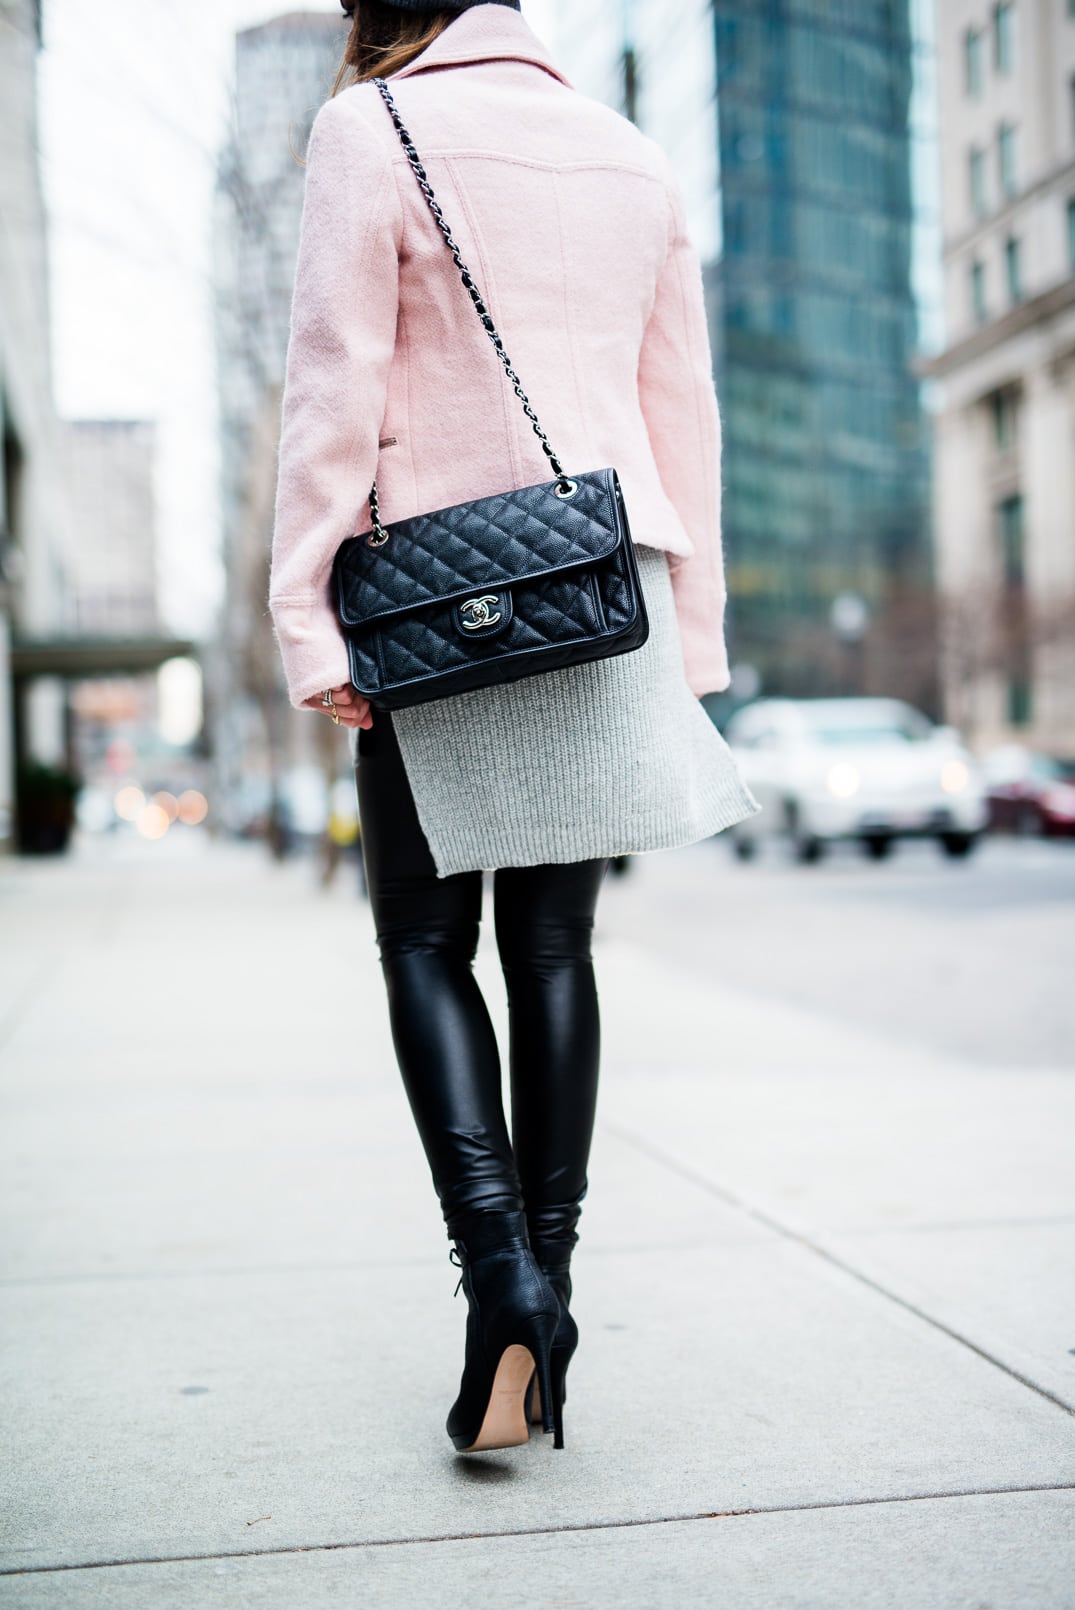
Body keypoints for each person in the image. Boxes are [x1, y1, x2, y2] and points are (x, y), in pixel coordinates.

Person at [268, 0, 759, 1453]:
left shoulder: (372, 131)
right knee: (555, 947)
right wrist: (700, 635)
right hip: (614, 594)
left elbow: (331, 391)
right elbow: (687, 410)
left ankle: (502, 1283)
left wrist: (308, 613)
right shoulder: (632, 158)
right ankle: (550, 1285)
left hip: (440, 599)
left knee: (425, 941)